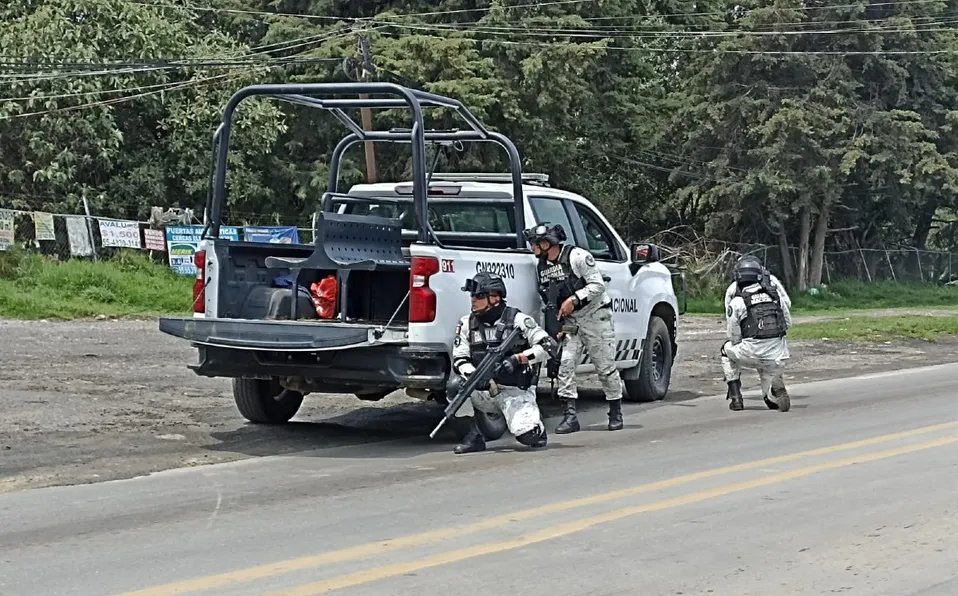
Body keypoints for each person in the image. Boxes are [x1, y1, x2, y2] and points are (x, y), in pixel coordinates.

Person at [523, 222, 624, 433]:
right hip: (571, 322)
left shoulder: (577, 257)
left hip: (595, 316)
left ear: (546, 243)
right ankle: (570, 416)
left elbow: (597, 286)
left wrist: (574, 299)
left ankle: (615, 411)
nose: (531, 247)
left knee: (605, 367)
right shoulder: (542, 266)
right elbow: (549, 298)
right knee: (565, 364)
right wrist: (557, 323)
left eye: (534, 243)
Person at [449, 272, 559, 454]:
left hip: (515, 390)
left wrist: (518, 359)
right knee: (455, 387)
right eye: (472, 296)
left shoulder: (518, 320)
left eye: (479, 296)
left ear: (495, 298)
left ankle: (536, 429)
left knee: (527, 437)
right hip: (484, 391)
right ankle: (474, 437)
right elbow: (459, 359)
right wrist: (474, 376)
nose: (473, 300)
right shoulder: (466, 323)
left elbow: (549, 347)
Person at [722, 255, 792, 412]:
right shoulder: (775, 296)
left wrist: (746, 341)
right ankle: (772, 389)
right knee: (770, 362)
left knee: (726, 351)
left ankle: (736, 398)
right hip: (778, 355)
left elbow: (733, 336)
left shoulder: (737, 301)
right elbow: (787, 323)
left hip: (751, 351)